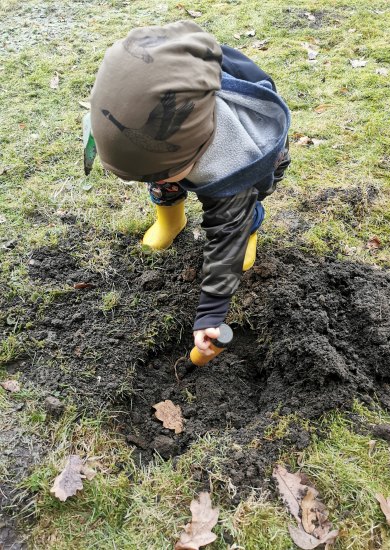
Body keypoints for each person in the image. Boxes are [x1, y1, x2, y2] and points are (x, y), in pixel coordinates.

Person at [88, 20, 291, 357]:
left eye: (173, 171)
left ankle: (251, 231)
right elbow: (150, 157)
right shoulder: (128, 115)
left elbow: (226, 230)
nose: (163, 178)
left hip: (255, 162)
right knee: (160, 172)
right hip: (172, 143)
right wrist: (163, 173)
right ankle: (171, 220)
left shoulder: (234, 161)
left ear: (199, 150)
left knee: (241, 209)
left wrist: (211, 313)